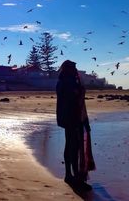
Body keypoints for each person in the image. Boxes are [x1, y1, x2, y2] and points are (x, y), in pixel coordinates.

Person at [56, 60, 94, 191]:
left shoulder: (63, 80)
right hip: (73, 118)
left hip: (67, 118)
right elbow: (75, 99)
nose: (76, 70)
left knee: (70, 145)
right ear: (70, 69)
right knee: (75, 147)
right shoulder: (69, 82)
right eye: (74, 68)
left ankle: (69, 174)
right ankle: (76, 177)